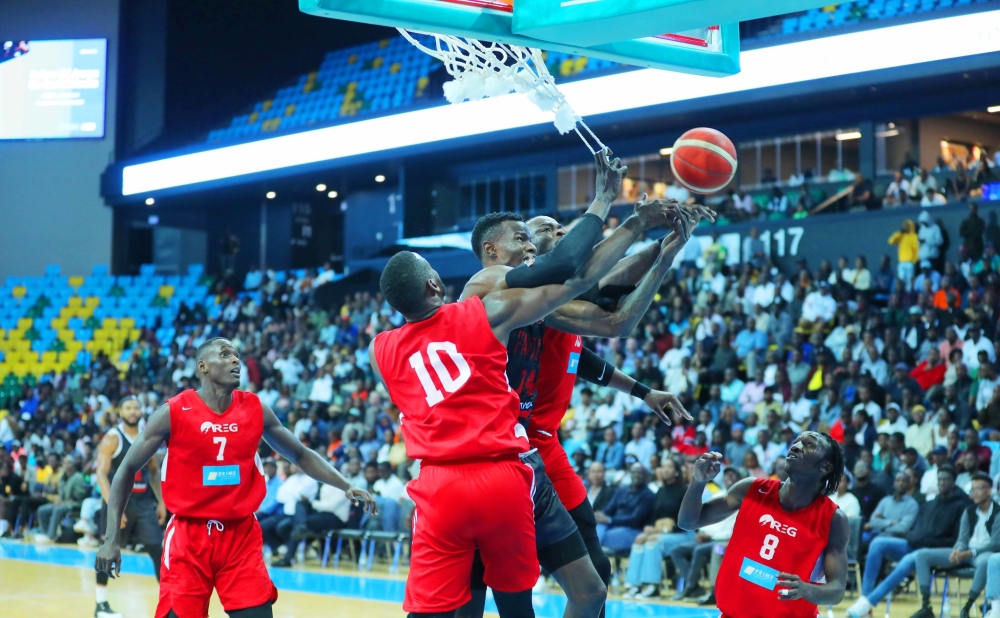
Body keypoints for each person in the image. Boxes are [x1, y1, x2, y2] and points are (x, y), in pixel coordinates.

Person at [458, 149, 698, 618]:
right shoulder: (507, 294)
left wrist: (665, 245)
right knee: (489, 585)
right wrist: (639, 229)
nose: (546, 238)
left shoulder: (546, 300)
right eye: (537, 231)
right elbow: (608, 307)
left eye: (549, 232)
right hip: (495, 447)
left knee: (592, 576)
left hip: (538, 445)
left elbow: (590, 336)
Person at [367, 237, 630, 618]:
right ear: (435, 286)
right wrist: (633, 225)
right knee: (518, 605)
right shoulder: (483, 313)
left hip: (439, 486)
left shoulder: (379, 349)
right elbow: (577, 281)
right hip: (503, 475)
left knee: (434, 609)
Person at [95, 338, 376, 618]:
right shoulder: (173, 411)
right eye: (226, 354)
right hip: (189, 536)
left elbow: (300, 454)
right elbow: (126, 469)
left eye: (237, 355)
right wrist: (111, 539)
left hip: (240, 536)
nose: (235, 360)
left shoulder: (255, 408)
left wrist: (346, 484)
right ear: (202, 365)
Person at [678, 432, 849, 618]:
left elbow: (837, 590)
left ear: (826, 466)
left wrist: (806, 590)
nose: (796, 446)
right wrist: (698, 482)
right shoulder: (751, 489)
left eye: (808, 444)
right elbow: (688, 521)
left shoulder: (833, 518)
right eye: (796, 441)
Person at [846, 465, 971, 618]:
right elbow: (915, 530)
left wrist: (926, 541)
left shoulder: (960, 506)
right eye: (940, 479)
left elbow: (956, 539)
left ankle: (869, 602)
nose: (942, 482)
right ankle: (864, 598)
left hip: (934, 551)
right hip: (915, 545)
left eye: (946, 479)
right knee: (878, 543)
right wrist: (914, 538)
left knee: (910, 558)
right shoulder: (930, 503)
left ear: (954, 482)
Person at [92, 397, 168, 618]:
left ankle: (169, 600)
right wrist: (114, 506)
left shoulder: (147, 435)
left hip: (144, 503)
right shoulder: (113, 438)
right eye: (128, 408)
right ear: (120, 411)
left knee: (157, 550)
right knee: (108, 551)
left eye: (136, 407)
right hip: (120, 501)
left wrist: (162, 501)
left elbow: (153, 471)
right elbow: (101, 474)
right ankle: (101, 605)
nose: (133, 411)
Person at [866, 471, 919, 538]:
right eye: (898, 480)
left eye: (904, 481)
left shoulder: (912, 505)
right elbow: (873, 521)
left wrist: (882, 526)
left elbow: (903, 529)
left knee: (877, 543)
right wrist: (890, 522)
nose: (900, 483)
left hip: (898, 538)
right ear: (894, 483)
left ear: (908, 484)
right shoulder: (885, 501)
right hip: (879, 535)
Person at [889, 220, 920, 291]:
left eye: (907, 226)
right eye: (904, 226)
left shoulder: (914, 236)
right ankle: (901, 294)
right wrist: (900, 232)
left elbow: (918, 250)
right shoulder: (901, 236)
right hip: (901, 262)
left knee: (909, 281)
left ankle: (908, 294)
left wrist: (914, 261)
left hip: (910, 262)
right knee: (901, 280)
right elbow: (891, 241)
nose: (905, 227)